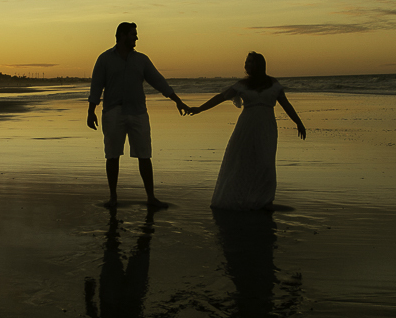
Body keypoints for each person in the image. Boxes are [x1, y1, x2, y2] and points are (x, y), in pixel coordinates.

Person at [88, 22, 189, 208]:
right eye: (134, 34)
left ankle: (151, 197)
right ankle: (113, 197)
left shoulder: (141, 60)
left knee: (144, 155)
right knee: (112, 155)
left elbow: (158, 81)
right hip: (113, 112)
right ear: (122, 35)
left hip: (138, 112)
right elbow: (96, 86)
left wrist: (177, 100)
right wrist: (90, 112)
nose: (137, 37)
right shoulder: (104, 59)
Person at [187, 52, 305, 210]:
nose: (246, 65)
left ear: (259, 64)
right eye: (246, 62)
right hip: (246, 127)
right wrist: (200, 109)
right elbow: (220, 97)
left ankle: (264, 200)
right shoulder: (242, 84)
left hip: (266, 127)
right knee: (242, 161)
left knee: (266, 163)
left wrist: (298, 122)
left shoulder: (273, 83)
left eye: (250, 62)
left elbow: (286, 104)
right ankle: (239, 198)